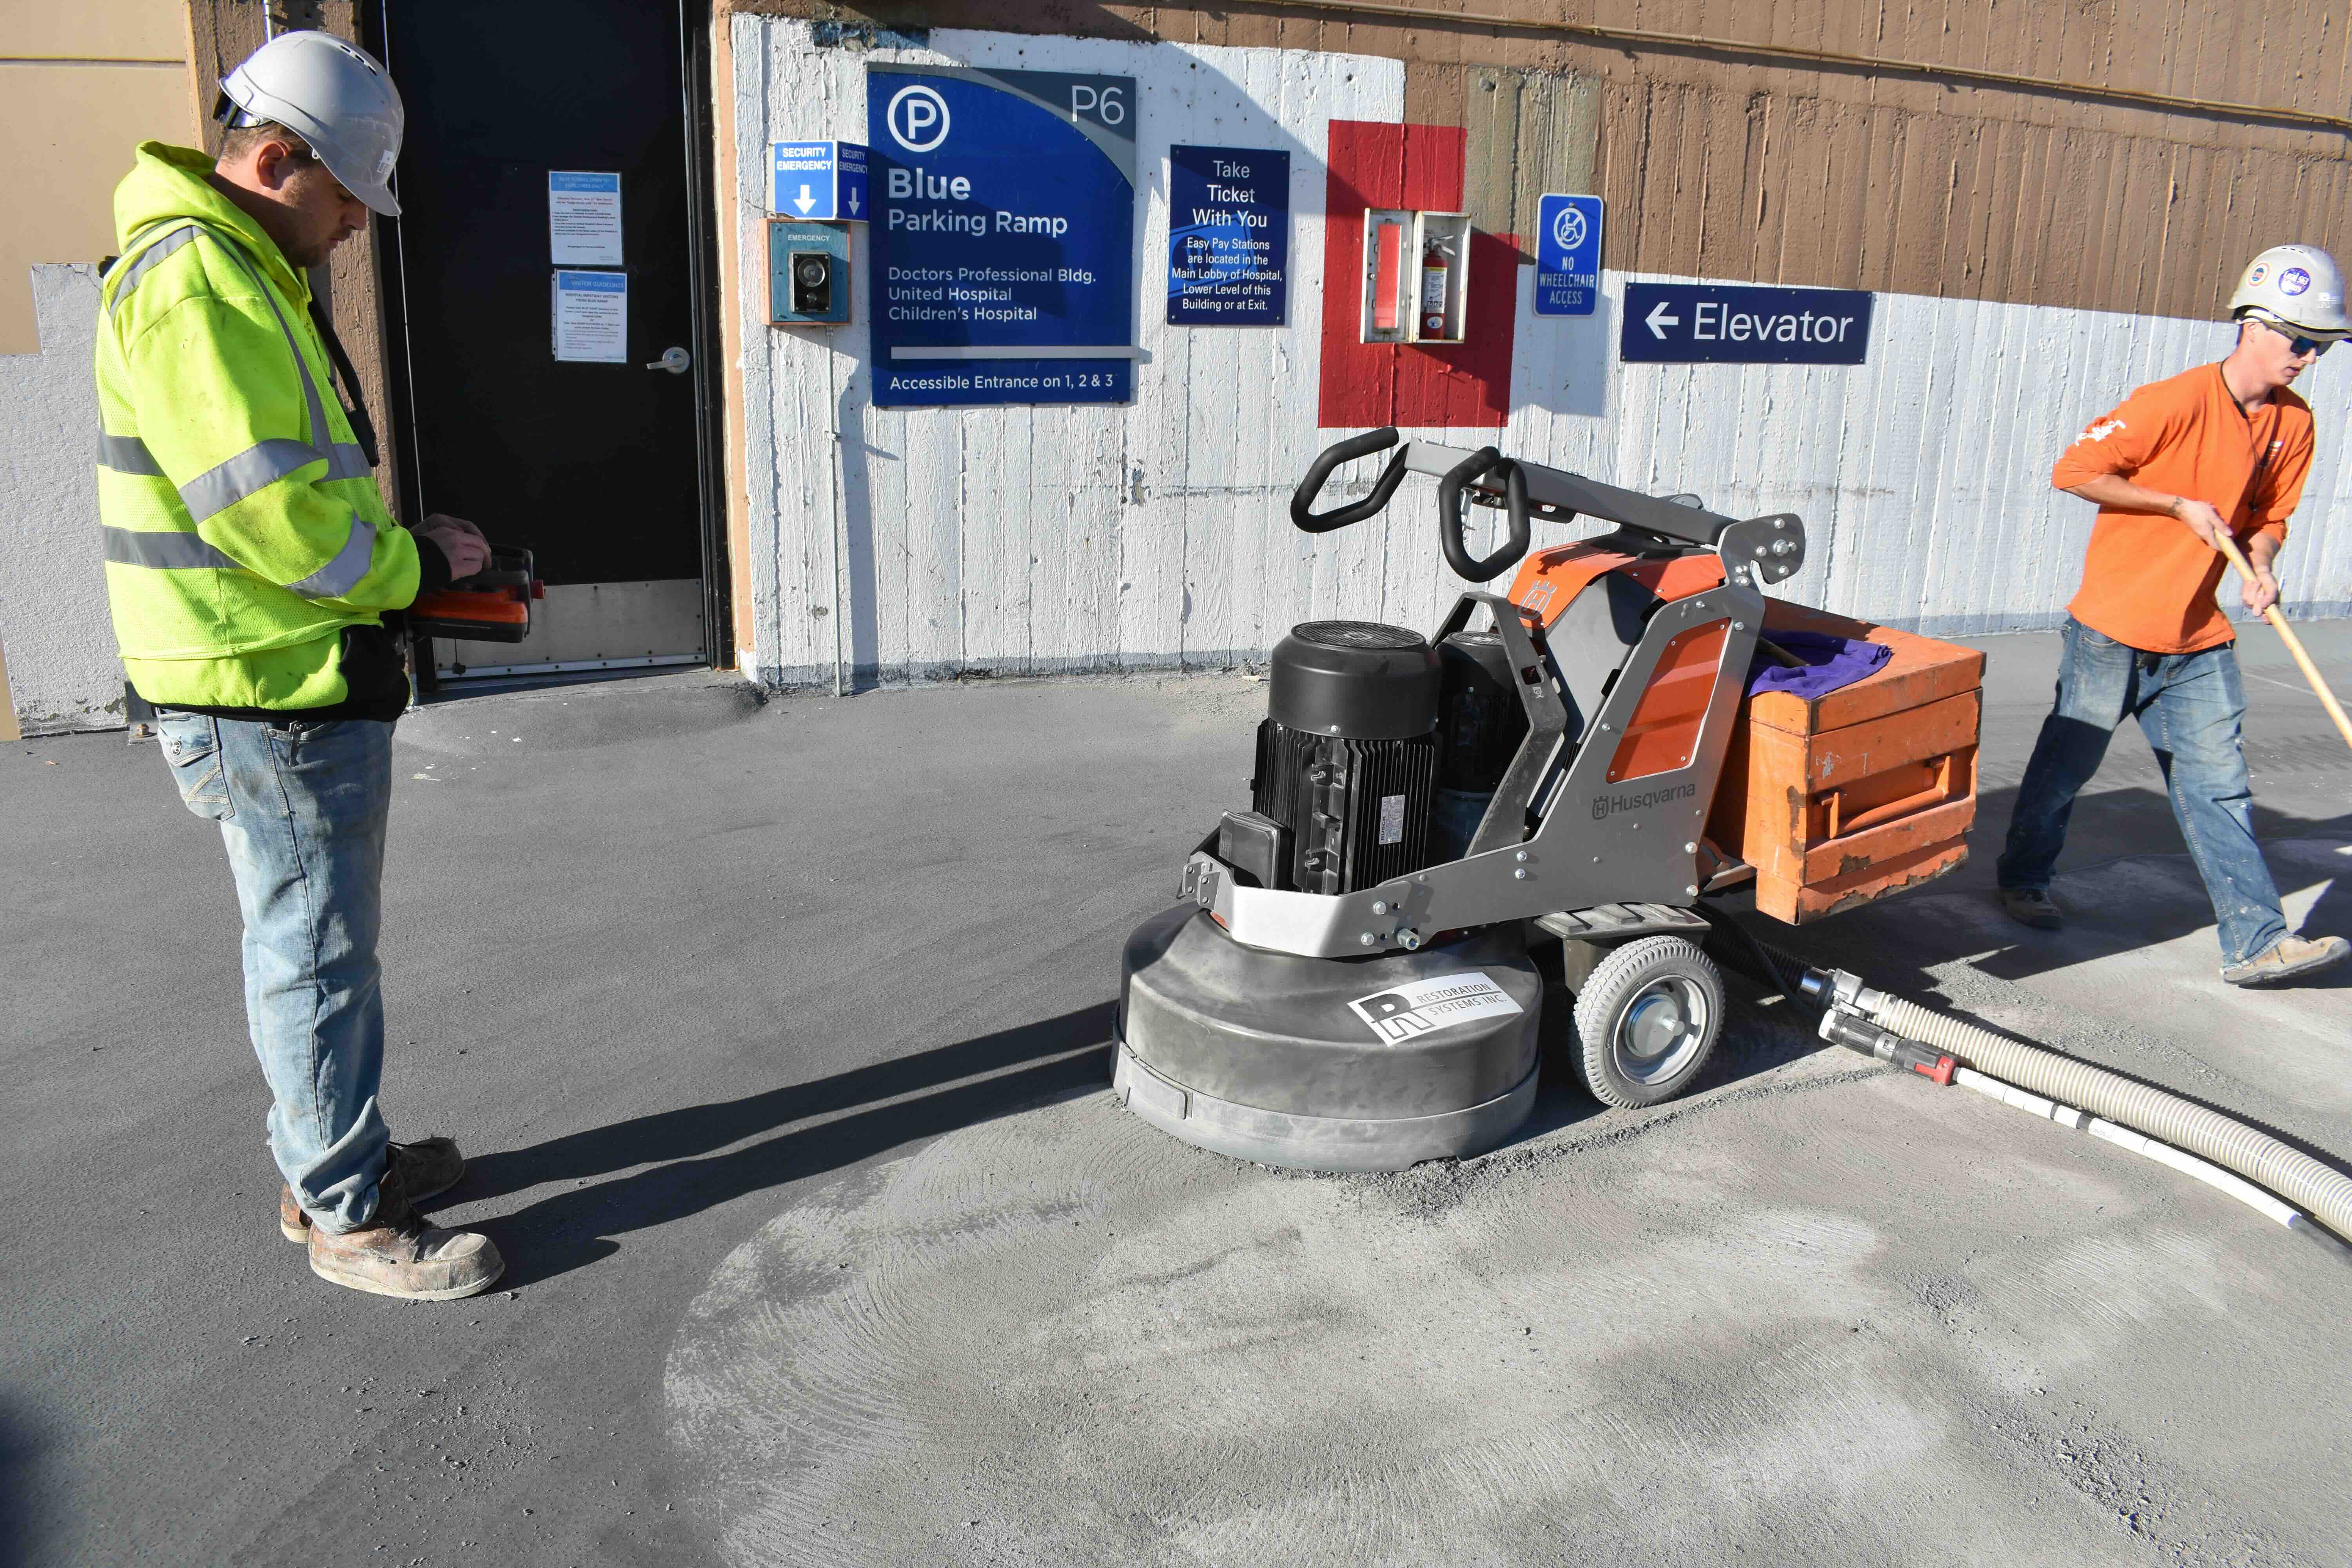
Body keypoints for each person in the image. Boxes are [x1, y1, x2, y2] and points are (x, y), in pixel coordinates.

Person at [96, 31, 505, 1298]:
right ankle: (346, 1218)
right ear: (278, 161)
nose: (345, 233)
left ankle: (332, 1161)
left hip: (270, 675)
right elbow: (271, 516)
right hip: (260, 685)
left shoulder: (225, 270)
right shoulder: (202, 282)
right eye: (341, 204)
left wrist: (402, 560)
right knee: (315, 953)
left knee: (319, 945)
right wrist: (417, 569)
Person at [1996, 244, 2352, 987]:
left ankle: (2255, 942)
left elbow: (2271, 516)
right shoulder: (2172, 402)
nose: (2311, 358)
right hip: (2111, 629)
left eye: (2323, 345)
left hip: (2198, 639)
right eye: (2303, 341)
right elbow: (2074, 470)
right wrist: (2174, 504)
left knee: (2218, 785)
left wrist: (2261, 566)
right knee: (2067, 770)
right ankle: (2023, 878)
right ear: (2254, 324)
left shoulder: (2296, 424)